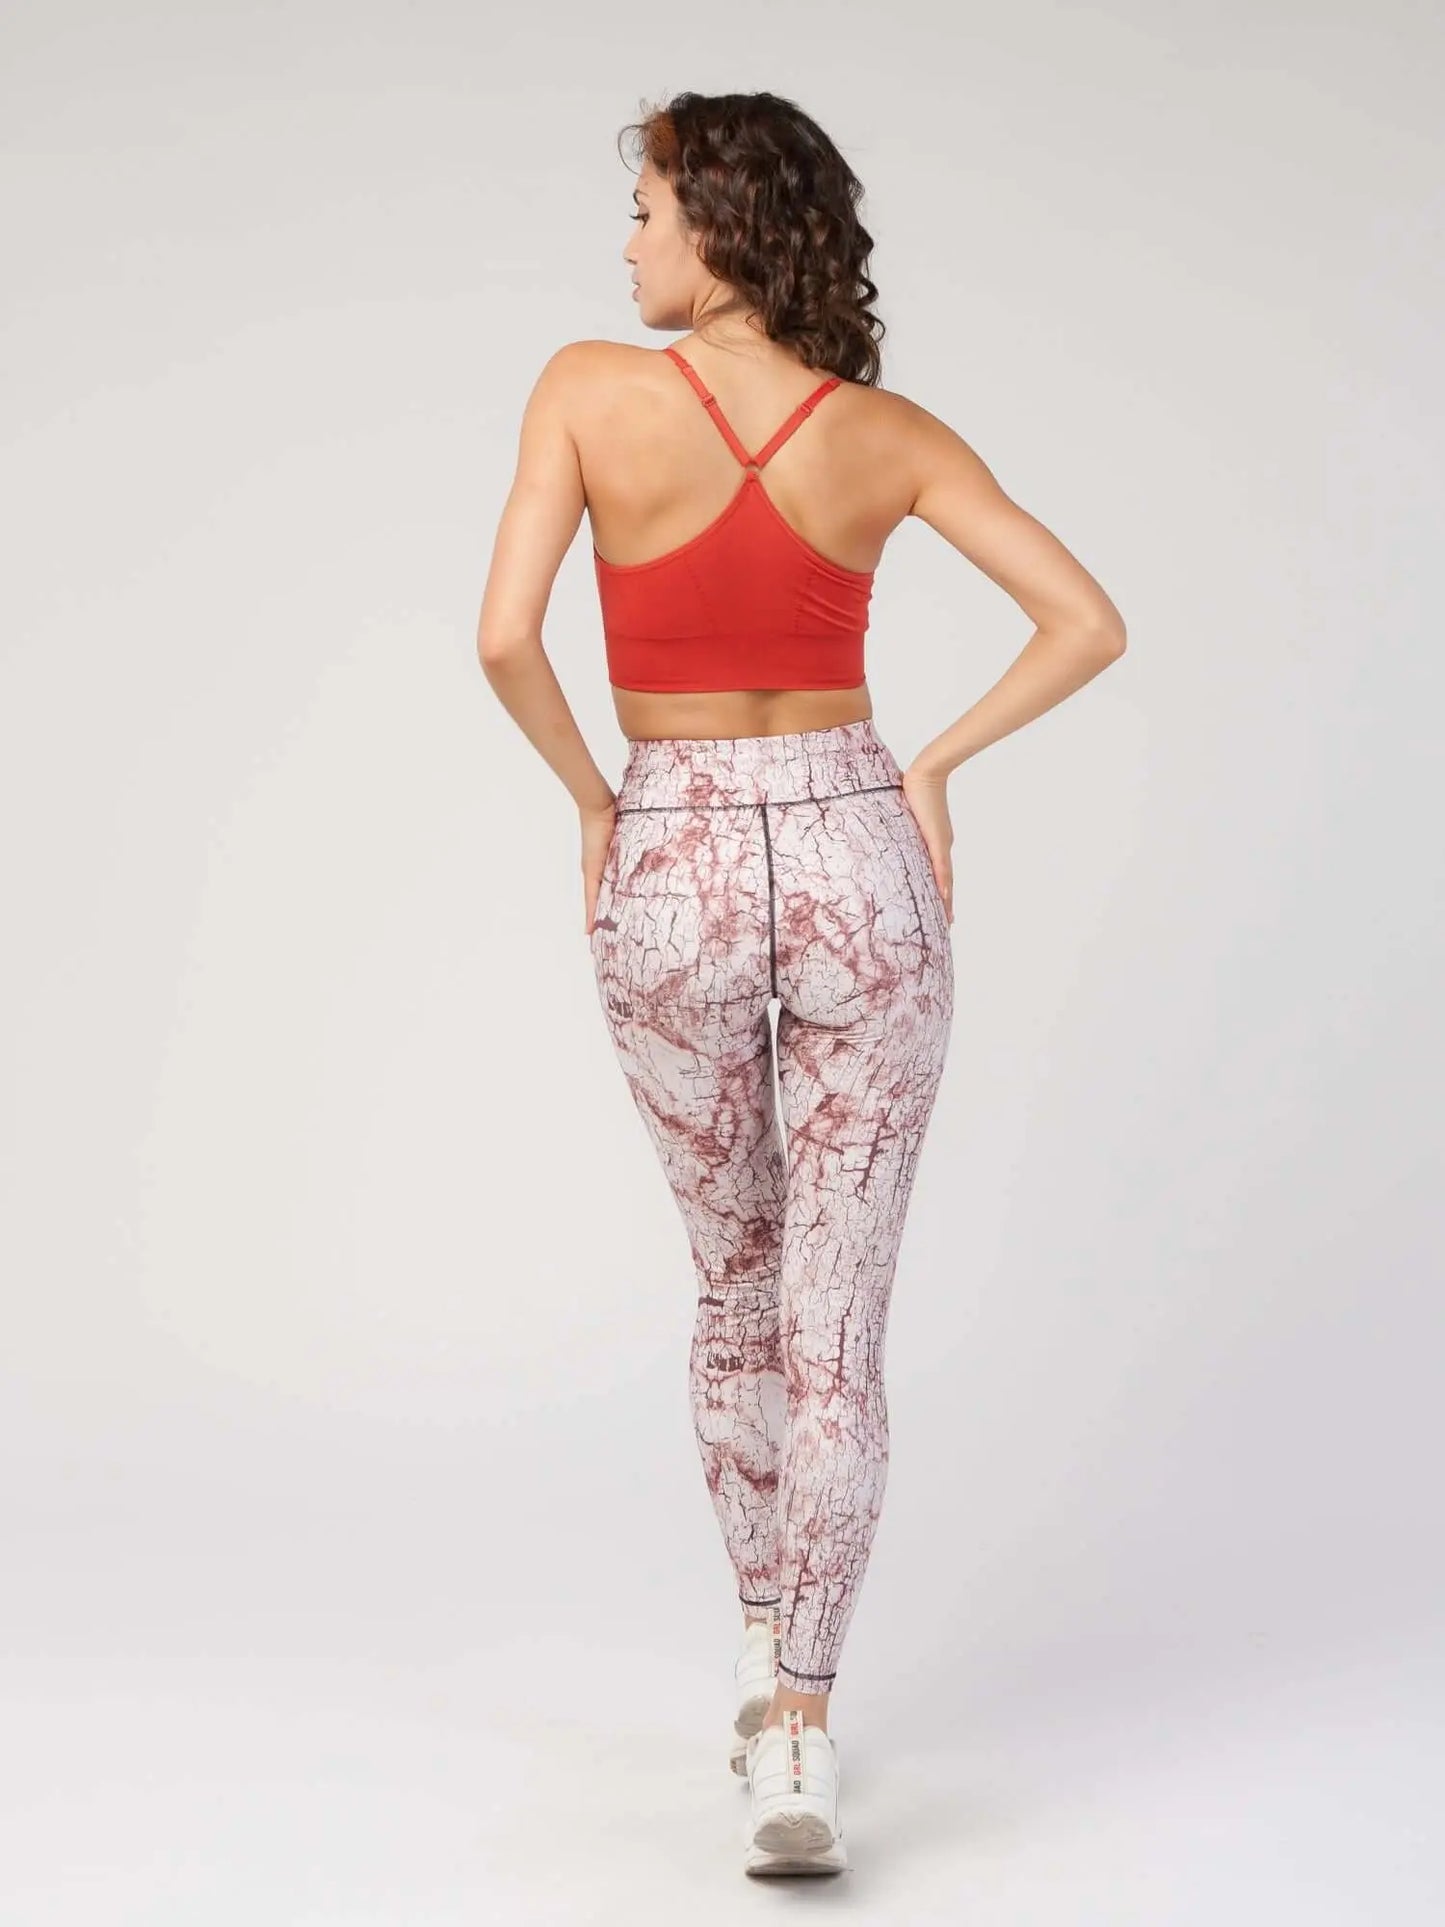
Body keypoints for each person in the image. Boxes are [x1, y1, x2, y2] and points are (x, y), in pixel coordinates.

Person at [477, 89, 1126, 1877]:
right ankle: (801, 1736)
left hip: (672, 849)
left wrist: (597, 801)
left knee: (735, 1291)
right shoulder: (886, 433)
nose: (626, 243)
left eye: (644, 209)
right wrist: (934, 766)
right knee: (834, 1328)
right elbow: (1086, 620)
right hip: (856, 850)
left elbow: (506, 636)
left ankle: (761, 1640)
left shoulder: (583, 392)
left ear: (715, 223)